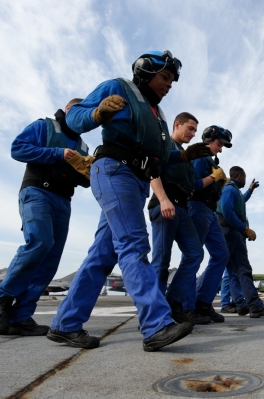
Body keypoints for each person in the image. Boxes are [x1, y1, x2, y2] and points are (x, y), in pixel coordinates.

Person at [47, 50, 210, 352]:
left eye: (172, 81)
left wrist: (184, 155)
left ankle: (65, 324)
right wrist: (98, 114)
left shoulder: (157, 115)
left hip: (135, 180)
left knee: (102, 255)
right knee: (134, 245)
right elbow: (74, 115)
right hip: (115, 170)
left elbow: (160, 157)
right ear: (146, 73)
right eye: (165, 77)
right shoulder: (119, 88)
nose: (169, 85)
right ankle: (156, 325)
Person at [0, 99, 92, 336]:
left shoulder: (83, 146)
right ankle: (0, 298)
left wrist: (88, 171)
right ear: (69, 110)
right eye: (82, 112)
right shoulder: (46, 126)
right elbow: (18, 148)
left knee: (51, 258)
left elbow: (85, 181)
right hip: (37, 192)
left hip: (63, 200)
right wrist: (58, 153)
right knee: (40, 241)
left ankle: (21, 316)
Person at [148, 112, 211, 325]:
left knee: (195, 253)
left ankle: (173, 303)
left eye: (195, 130)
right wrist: (163, 199)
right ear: (177, 124)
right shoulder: (164, 145)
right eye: (190, 128)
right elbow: (152, 171)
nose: (193, 134)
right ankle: (155, 314)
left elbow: (192, 186)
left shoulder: (186, 155)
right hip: (165, 204)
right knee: (161, 260)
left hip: (182, 209)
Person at [181, 125, 237, 323]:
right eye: (219, 144)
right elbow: (192, 185)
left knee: (221, 255)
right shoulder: (197, 157)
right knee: (193, 256)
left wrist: (218, 184)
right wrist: (213, 178)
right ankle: (187, 308)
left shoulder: (209, 160)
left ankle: (203, 303)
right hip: (196, 207)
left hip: (210, 211)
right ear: (209, 139)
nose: (220, 149)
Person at [217, 166, 264, 318]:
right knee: (222, 268)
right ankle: (199, 303)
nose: (245, 179)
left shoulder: (234, 190)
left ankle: (244, 304)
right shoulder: (230, 189)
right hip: (231, 232)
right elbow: (226, 210)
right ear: (238, 176)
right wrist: (244, 229)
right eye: (244, 177)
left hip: (232, 232)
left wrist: (250, 190)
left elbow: (241, 200)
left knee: (234, 271)